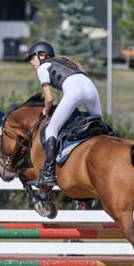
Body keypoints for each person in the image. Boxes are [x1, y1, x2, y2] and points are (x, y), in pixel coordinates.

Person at [25, 40, 102, 187]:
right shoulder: (65, 64)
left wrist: (46, 110)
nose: (32, 63)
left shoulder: (43, 68)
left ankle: (47, 172)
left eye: (32, 59)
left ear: (41, 55)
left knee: (50, 129)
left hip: (74, 91)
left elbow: (49, 98)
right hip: (91, 88)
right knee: (100, 126)